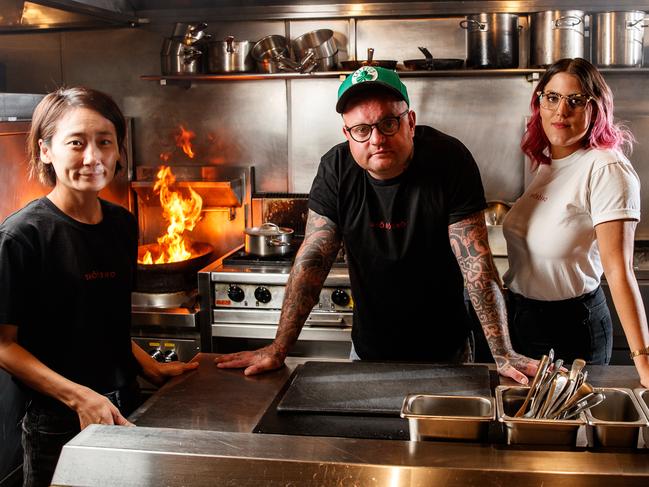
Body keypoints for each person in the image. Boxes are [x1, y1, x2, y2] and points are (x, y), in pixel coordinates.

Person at [215, 66, 536, 383]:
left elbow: (476, 263)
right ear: (347, 134)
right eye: (362, 130)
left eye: (388, 123)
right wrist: (278, 348)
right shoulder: (336, 169)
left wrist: (504, 352)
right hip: (369, 350)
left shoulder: (448, 160)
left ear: (410, 121)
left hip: (446, 351)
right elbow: (313, 258)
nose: (377, 138)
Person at [0, 86, 199, 487]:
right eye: (76, 143)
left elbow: (99, 319)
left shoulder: (121, 224)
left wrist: (149, 366)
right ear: (46, 150)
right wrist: (79, 396)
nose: (93, 157)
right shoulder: (23, 236)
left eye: (104, 142)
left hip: (124, 403)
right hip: (56, 418)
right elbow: (4, 345)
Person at [503, 58, 649, 387]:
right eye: (551, 97)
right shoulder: (545, 160)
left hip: (570, 332)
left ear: (595, 108)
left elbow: (619, 270)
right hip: (522, 322)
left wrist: (645, 361)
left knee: (568, 436)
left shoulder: (606, 168)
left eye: (576, 100)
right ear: (539, 102)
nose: (561, 111)